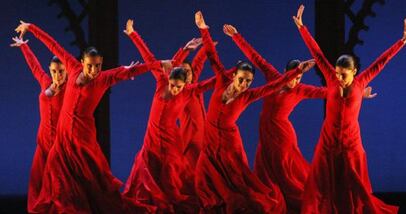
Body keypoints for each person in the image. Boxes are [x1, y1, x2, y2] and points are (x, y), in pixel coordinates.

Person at [223, 24, 377, 213]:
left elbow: (329, 92)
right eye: (293, 76)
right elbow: (255, 57)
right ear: (285, 72)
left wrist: (359, 93)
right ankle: (274, 200)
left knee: (284, 170)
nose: (296, 81)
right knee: (265, 168)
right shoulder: (273, 77)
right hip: (266, 131)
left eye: (299, 77)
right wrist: (236, 36)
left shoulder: (301, 90)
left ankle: (302, 201)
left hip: (282, 134)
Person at [15, 21, 160, 213]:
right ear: (82, 62)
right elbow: (52, 44)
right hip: (62, 138)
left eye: (98, 66)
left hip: (83, 140)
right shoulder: (72, 67)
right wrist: (31, 28)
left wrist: (159, 64)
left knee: (91, 179)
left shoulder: (103, 78)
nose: (94, 70)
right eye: (90, 66)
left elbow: (130, 71)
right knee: (59, 183)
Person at [194, 11, 314, 213]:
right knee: (203, 177)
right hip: (211, 137)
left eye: (248, 81)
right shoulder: (223, 80)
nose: (244, 84)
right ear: (234, 76)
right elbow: (213, 56)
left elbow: (273, 86)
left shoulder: (248, 95)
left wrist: (297, 72)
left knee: (237, 182)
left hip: (229, 142)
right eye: (241, 79)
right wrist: (203, 29)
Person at [293, 5, 406, 213]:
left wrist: (402, 41)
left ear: (354, 72)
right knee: (323, 181)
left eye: (343, 75)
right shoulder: (330, 77)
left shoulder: (362, 81)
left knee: (352, 183)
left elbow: (381, 62)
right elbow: (317, 54)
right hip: (328, 140)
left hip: (350, 141)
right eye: (337, 73)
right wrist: (302, 28)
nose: (339, 78)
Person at [123, 19, 218, 213]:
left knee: (180, 173)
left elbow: (211, 74)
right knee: (150, 168)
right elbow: (151, 60)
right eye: (173, 84)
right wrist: (133, 34)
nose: (175, 89)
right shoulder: (163, 82)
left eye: (180, 84)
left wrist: (205, 38)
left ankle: (192, 196)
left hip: (192, 136)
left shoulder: (190, 89)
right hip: (165, 135)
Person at [11, 36, 68, 213]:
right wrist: (24, 47)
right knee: (37, 183)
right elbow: (34, 66)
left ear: (66, 71)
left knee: (59, 187)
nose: (57, 75)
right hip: (43, 143)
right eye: (54, 71)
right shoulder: (45, 82)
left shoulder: (71, 89)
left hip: (60, 145)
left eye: (61, 71)